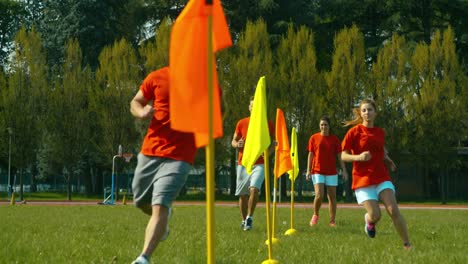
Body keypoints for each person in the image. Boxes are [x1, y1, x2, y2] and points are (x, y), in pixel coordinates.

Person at [130, 66, 198, 264]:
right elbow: (136, 101)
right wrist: (141, 112)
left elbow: (220, 109)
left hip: (180, 155)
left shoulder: (203, 80)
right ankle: (163, 221)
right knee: (140, 200)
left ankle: (144, 258)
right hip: (151, 149)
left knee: (160, 204)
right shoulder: (157, 76)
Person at [341, 98, 411, 249]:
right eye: (364, 110)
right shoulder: (354, 132)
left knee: (393, 209)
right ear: (361, 113)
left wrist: (387, 159)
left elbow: (380, 149)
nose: (367, 113)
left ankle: (407, 245)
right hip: (362, 179)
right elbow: (343, 155)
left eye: (370, 110)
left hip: (381, 175)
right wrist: (358, 157)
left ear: (375, 113)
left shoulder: (380, 132)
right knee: (376, 215)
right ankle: (369, 221)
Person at [231, 96, 274, 231]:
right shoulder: (241, 123)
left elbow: (274, 142)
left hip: (260, 163)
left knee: (254, 189)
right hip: (243, 163)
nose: (254, 108)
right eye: (252, 106)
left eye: (257, 106)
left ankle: (250, 217)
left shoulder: (267, 123)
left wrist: (268, 154)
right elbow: (233, 141)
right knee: (243, 195)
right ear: (249, 108)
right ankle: (244, 221)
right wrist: (237, 144)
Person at [306, 116, 348, 227]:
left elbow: (340, 157)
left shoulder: (335, 140)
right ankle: (315, 215)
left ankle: (332, 220)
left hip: (331, 172)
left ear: (329, 126)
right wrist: (308, 170)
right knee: (319, 195)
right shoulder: (314, 138)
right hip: (317, 170)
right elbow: (310, 155)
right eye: (322, 124)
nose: (323, 126)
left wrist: (344, 170)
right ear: (319, 126)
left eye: (325, 124)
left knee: (332, 197)